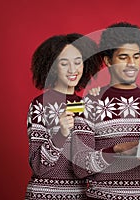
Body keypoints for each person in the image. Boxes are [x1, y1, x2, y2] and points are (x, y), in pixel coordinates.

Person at [71, 22, 140, 200]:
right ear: (108, 61)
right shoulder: (90, 102)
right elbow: (80, 165)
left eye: (136, 57)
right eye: (123, 57)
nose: (131, 63)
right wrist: (117, 149)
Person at [26, 33, 102, 199]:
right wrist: (61, 134)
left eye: (77, 62)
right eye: (64, 63)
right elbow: (38, 167)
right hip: (45, 195)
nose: (73, 69)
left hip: (80, 195)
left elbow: (93, 161)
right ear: (52, 67)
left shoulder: (87, 105)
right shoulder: (40, 105)